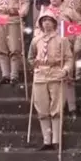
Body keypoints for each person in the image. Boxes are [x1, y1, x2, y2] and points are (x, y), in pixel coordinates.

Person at [27, 9, 73, 151]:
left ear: (54, 23)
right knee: (42, 109)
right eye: (44, 21)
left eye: (49, 21)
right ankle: (46, 140)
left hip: (56, 75)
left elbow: (69, 58)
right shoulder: (36, 40)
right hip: (40, 76)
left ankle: (56, 140)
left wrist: (65, 70)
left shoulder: (62, 40)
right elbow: (30, 57)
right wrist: (34, 64)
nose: (46, 23)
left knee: (56, 109)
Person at [40, 0, 81, 118]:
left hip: (66, 47)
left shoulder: (69, 11)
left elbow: (80, 26)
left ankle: (72, 107)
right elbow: (38, 28)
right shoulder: (45, 11)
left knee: (67, 78)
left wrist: (78, 44)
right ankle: (57, 107)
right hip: (50, 48)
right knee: (52, 78)